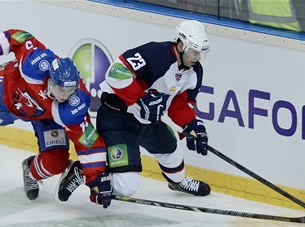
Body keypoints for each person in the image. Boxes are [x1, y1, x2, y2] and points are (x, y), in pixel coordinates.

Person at [58, 20, 212, 208]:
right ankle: (83, 172)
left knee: (172, 150)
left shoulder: (195, 72)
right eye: (194, 52)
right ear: (180, 45)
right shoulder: (156, 54)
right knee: (126, 187)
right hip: (118, 119)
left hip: (148, 122)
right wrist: (139, 99)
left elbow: (180, 105)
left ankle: (178, 182)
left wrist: (192, 126)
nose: (197, 57)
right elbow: (115, 72)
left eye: (200, 53)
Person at [0, 29, 108, 204]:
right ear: (50, 81)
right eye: (61, 90)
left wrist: (95, 182)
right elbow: (17, 37)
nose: (64, 96)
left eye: (70, 91)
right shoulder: (36, 64)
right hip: (12, 100)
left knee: (56, 162)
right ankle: (2, 75)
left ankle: (29, 170)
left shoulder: (73, 106)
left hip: (47, 118)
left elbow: (89, 143)